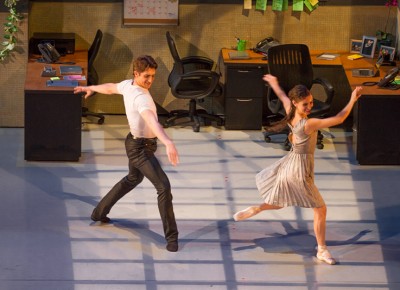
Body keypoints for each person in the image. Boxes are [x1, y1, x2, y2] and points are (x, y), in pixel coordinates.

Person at [233, 74, 363, 265]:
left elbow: (283, 96)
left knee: (281, 200)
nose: (310, 107)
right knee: (320, 209)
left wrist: (274, 83)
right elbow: (339, 118)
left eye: (310, 102)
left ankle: (257, 208)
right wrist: (353, 98)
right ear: (296, 103)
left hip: (289, 165)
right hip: (300, 171)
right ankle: (322, 250)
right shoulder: (307, 124)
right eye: (306, 104)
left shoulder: (290, 111)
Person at [74, 55, 180, 252]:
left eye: (153, 76)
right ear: (136, 73)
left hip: (136, 143)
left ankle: (98, 213)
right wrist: (168, 141)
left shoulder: (128, 85)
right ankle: (172, 237)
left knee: (132, 179)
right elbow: (152, 121)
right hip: (140, 149)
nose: (150, 80)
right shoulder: (141, 98)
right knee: (163, 187)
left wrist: (91, 88)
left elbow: (111, 87)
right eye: (146, 76)